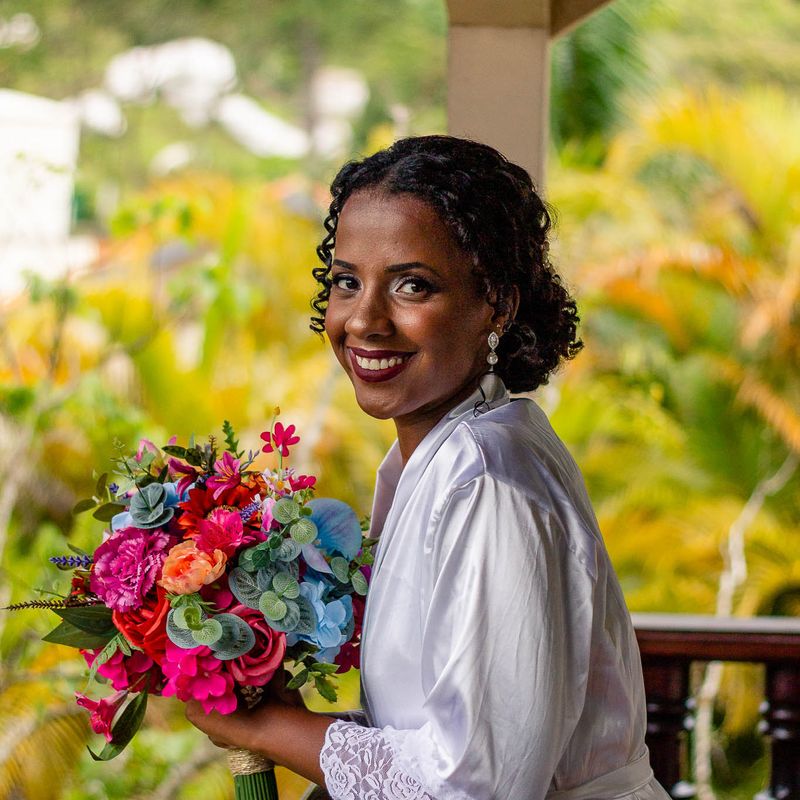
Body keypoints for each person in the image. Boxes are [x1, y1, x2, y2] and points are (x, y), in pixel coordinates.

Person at [186, 135, 670, 800]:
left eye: (414, 285)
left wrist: (264, 728)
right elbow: (436, 733)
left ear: (494, 306)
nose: (364, 320)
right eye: (347, 281)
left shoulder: (487, 483)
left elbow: (475, 784)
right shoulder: (443, 455)